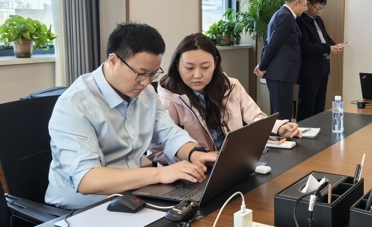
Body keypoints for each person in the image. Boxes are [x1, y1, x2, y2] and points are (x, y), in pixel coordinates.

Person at [45, 23, 208, 209]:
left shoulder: (146, 93)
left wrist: (196, 154)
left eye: (153, 74)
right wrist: (161, 174)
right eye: (141, 74)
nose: (146, 82)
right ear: (113, 60)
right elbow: (87, 179)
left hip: (131, 197)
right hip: (79, 210)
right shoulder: (75, 104)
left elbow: (170, 133)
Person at [147, 33, 302, 165]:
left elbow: (255, 117)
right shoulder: (168, 99)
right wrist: (197, 158)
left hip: (233, 165)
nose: (197, 75)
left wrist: (278, 127)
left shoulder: (231, 86)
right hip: (194, 173)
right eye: (189, 68)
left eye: (205, 67)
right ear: (177, 65)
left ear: (215, 63)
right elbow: (156, 152)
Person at [254, 0, 307, 120]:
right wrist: (262, 66)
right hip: (281, 74)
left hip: (281, 74)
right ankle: (280, 134)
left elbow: (271, 43)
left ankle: (281, 133)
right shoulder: (285, 16)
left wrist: (262, 64)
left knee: (281, 112)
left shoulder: (282, 14)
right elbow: (273, 44)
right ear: (296, 3)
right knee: (282, 114)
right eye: (304, 5)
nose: (305, 9)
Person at [296, 0, 344, 121]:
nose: (319, 11)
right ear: (308, 4)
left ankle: (317, 129)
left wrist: (335, 45)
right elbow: (306, 46)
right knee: (307, 105)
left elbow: (325, 37)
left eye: (322, 8)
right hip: (309, 70)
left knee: (319, 105)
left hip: (323, 67)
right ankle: (303, 130)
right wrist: (328, 48)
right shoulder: (300, 21)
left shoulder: (318, 20)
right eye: (318, 8)